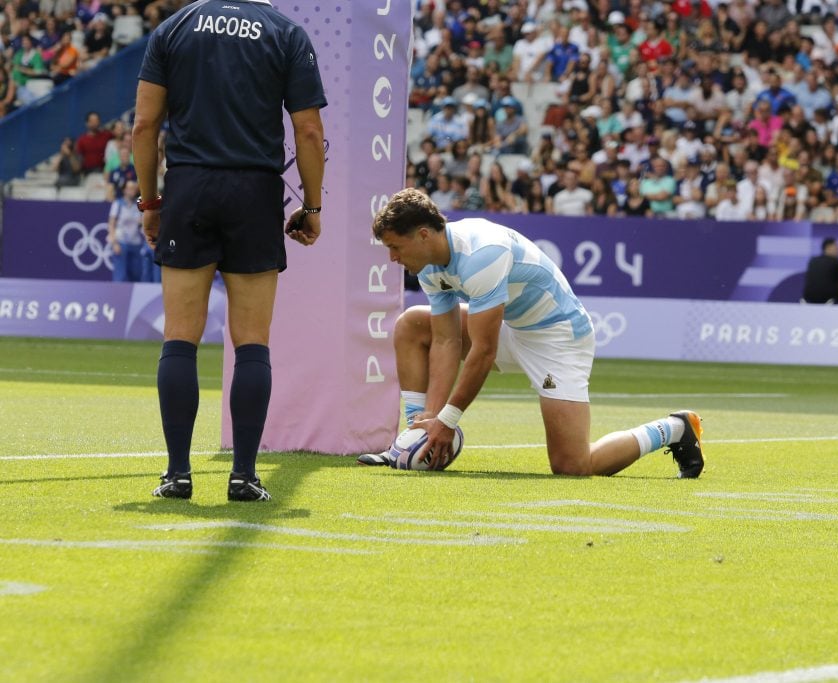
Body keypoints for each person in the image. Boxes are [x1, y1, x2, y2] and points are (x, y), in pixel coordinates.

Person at [357, 189, 705, 479]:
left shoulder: (482, 253)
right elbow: (446, 340)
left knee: (572, 466)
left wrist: (448, 420)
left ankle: (675, 429)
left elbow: (483, 352)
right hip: (513, 328)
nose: (392, 257)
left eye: (395, 247)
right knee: (413, 324)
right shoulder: (428, 264)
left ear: (422, 235)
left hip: (558, 339)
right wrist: (430, 424)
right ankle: (413, 435)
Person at [134, 0, 326, 502]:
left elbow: (144, 126)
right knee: (252, 342)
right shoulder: (286, 32)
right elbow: (308, 130)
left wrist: (151, 201)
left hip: (189, 186)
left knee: (180, 338)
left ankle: (177, 475)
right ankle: (243, 475)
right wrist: (312, 206)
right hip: (254, 193)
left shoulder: (173, 29)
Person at [107, 180, 145, 282]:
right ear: (124, 190)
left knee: (136, 274)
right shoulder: (117, 204)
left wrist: (141, 222)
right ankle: (117, 296)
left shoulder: (139, 204)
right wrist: (114, 242)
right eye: (129, 188)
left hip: (135, 243)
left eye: (134, 188)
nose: (132, 190)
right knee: (121, 275)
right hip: (121, 242)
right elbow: (111, 224)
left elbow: (142, 224)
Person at [802, 237, 838, 305]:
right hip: (829, 300)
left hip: (808, 299)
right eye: (837, 248)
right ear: (828, 248)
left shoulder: (812, 261)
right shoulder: (836, 262)